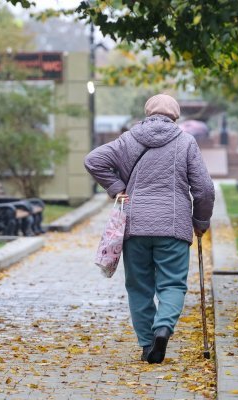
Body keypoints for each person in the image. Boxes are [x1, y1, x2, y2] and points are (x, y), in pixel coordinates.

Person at [84, 94, 215, 363]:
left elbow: (94, 160)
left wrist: (117, 189)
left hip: (135, 225)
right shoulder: (185, 142)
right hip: (174, 226)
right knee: (173, 283)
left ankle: (146, 344)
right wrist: (201, 222)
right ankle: (163, 329)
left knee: (139, 285)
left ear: (147, 112)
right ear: (175, 115)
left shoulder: (128, 139)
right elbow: (204, 189)